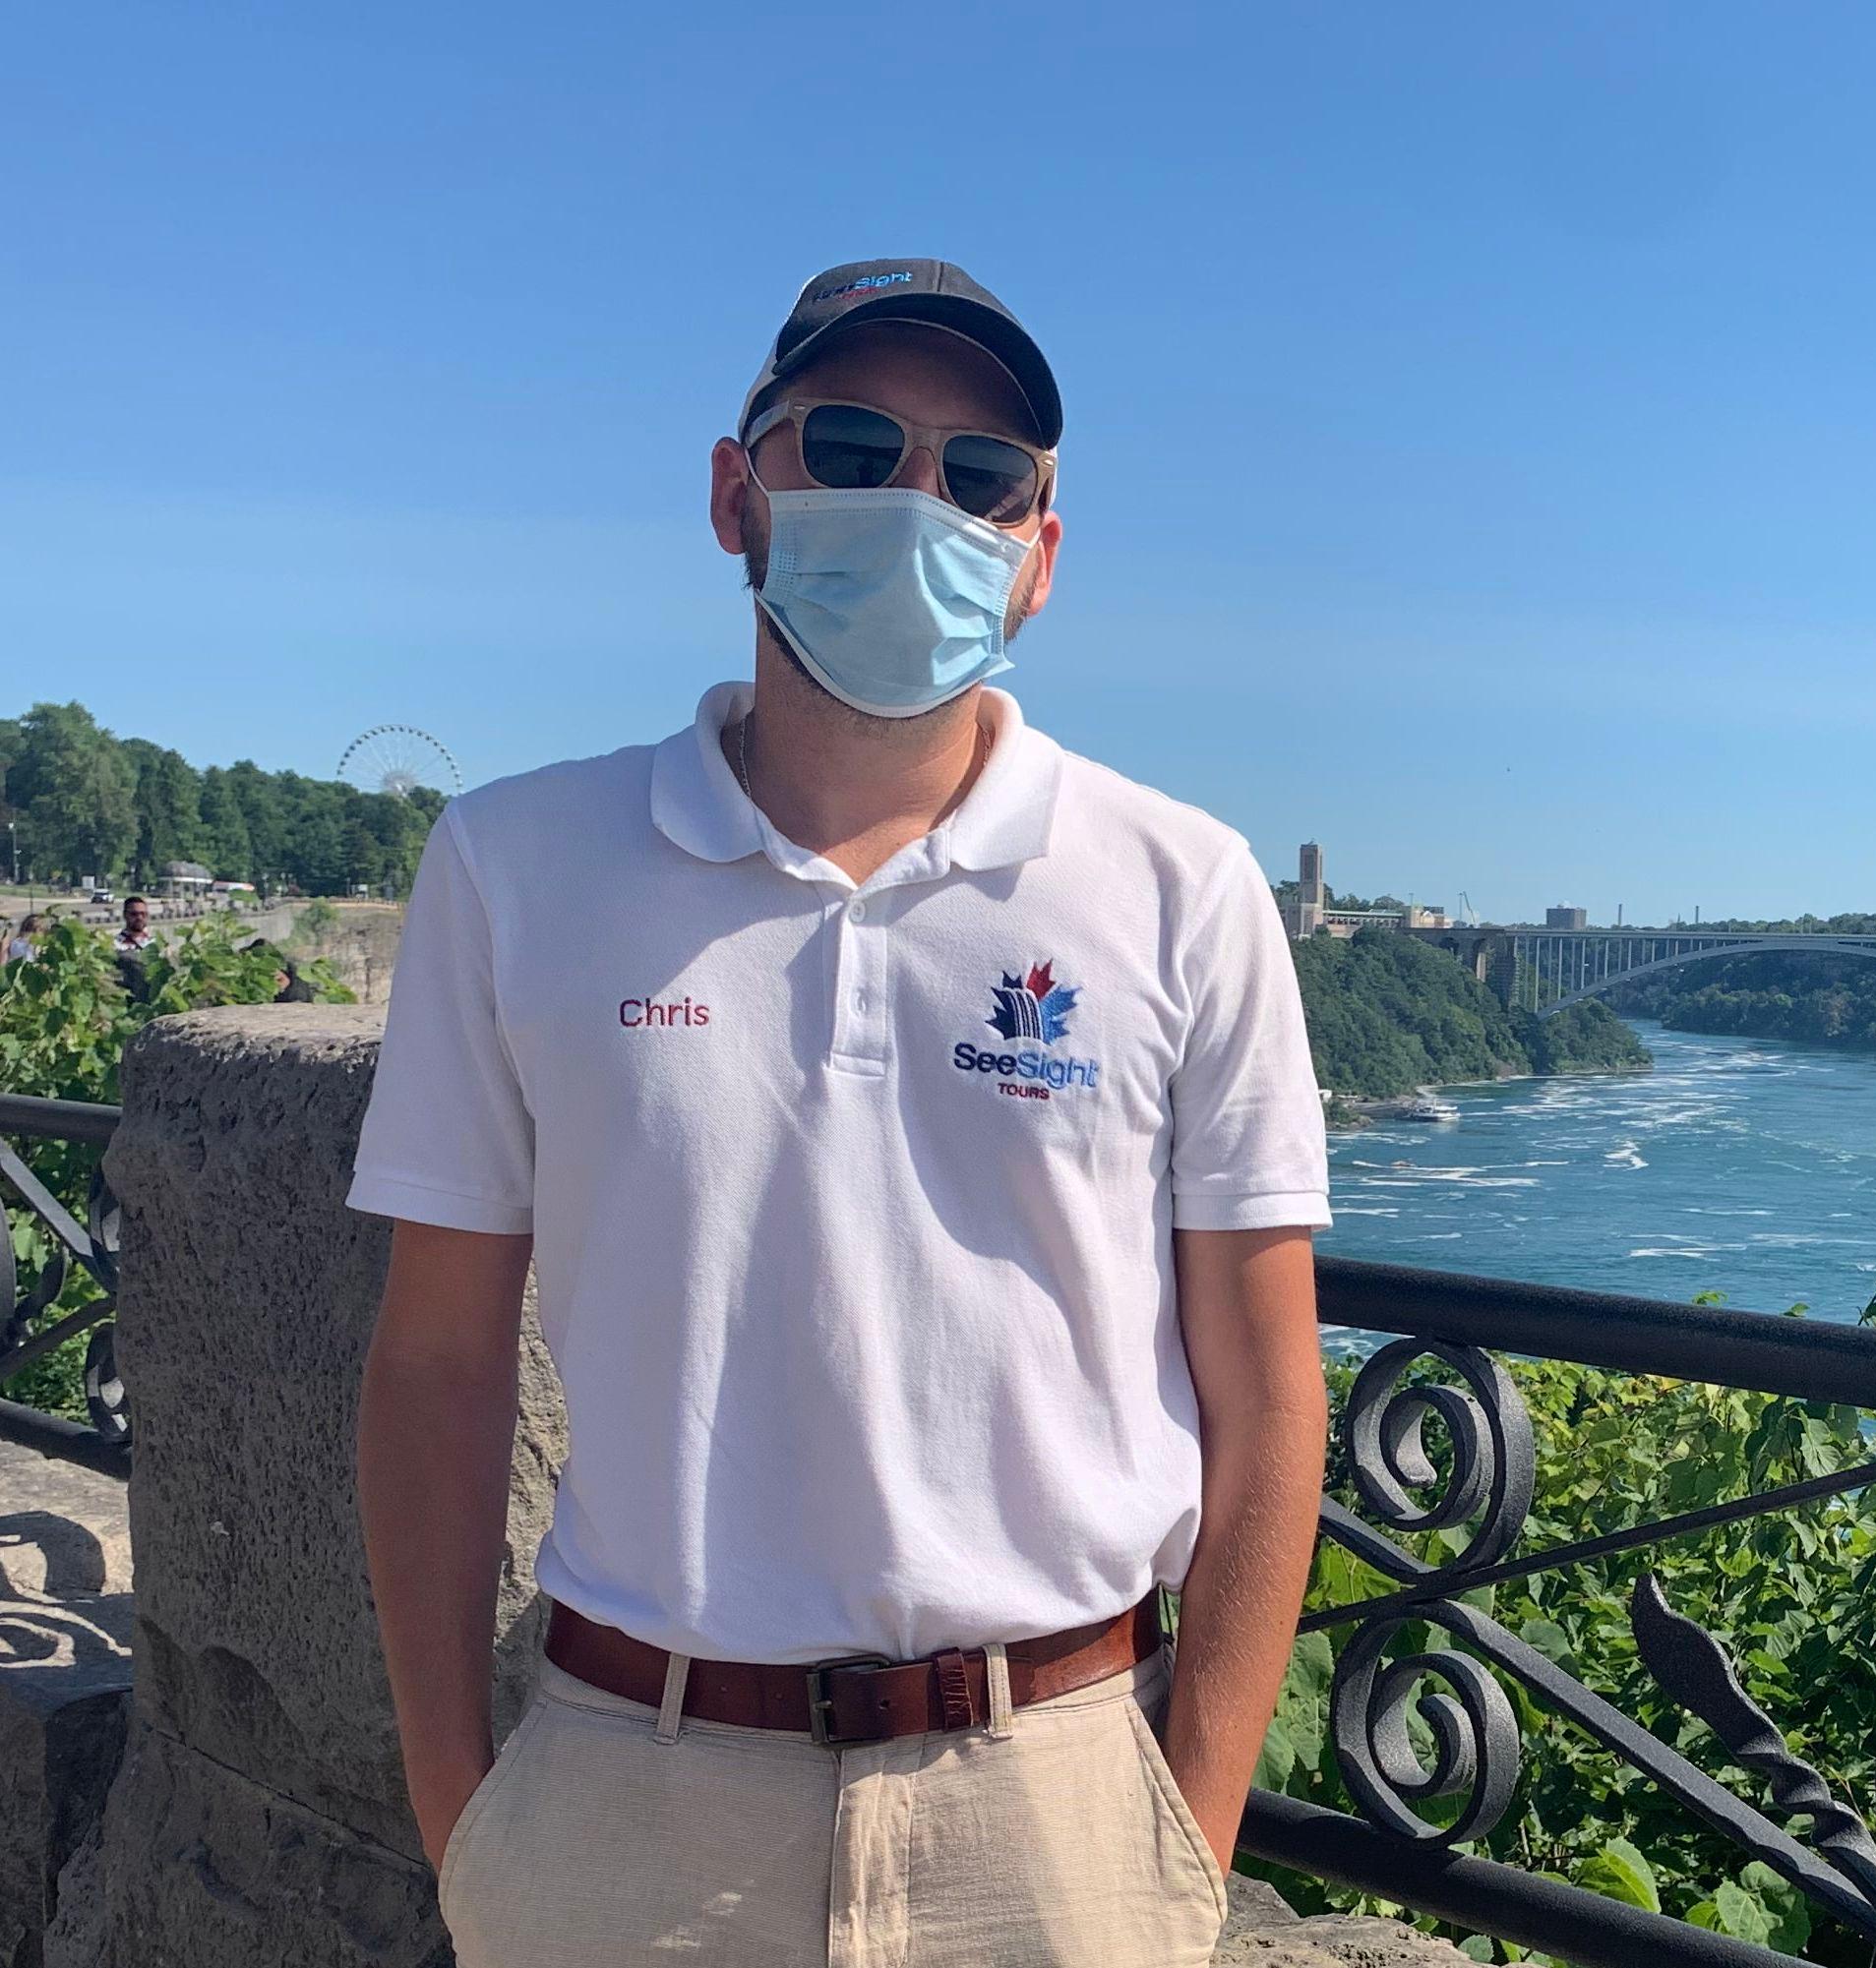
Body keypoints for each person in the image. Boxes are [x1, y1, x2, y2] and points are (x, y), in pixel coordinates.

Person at [351, 260, 1329, 1967]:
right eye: (856, 444)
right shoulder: (514, 868)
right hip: (624, 1796)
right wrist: (466, 1810)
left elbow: (1270, 1392)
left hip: (1060, 1806)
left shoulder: (1183, 887)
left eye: (980, 478)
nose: (915, 505)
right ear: (739, 494)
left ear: (1039, 554)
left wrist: (1186, 1828)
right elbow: (433, 1359)